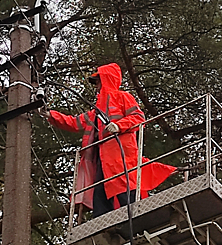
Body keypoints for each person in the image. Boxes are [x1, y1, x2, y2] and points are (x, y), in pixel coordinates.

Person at [42, 63, 176, 217]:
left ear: (106, 79)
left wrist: (118, 126)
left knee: (124, 188)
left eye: (98, 81)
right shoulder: (96, 111)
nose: (97, 86)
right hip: (103, 159)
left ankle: (135, 219)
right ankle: (103, 224)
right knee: (100, 191)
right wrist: (49, 114)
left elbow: (138, 117)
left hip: (122, 154)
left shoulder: (123, 97)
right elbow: (74, 122)